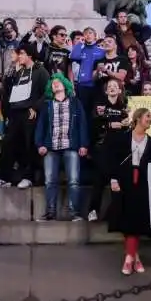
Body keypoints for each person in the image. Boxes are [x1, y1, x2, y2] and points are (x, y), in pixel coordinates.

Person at [107, 108, 151, 275]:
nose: (150, 120)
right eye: (147, 116)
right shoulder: (122, 139)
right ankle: (132, 257)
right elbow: (112, 159)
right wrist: (114, 178)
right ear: (137, 118)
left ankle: (131, 256)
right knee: (125, 218)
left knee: (136, 220)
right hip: (124, 182)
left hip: (142, 184)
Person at [35, 73, 89, 222]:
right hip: (51, 147)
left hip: (71, 146)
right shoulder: (47, 105)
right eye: (53, 83)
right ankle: (50, 212)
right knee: (50, 181)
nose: (55, 84)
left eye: (58, 82)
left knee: (73, 180)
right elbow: (41, 126)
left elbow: (82, 125)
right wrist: (40, 144)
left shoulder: (75, 103)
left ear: (65, 85)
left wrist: (84, 144)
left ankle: (74, 213)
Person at [0, 43, 50, 189]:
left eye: (21, 54)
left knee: (29, 145)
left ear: (29, 55)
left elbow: (47, 92)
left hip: (29, 113)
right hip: (15, 113)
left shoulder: (41, 71)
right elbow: (9, 92)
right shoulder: (18, 72)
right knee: (8, 143)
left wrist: (35, 107)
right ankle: (5, 177)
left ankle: (29, 176)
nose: (18, 57)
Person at [88, 78, 130, 222]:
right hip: (102, 147)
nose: (112, 88)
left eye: (115, 86)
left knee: (117, 181)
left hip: (119, 149)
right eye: (109, 86)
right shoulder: (99, 106)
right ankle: (93, 210)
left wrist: (127, 123)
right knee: (99, 180)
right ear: (106, 91)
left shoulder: (125, 107)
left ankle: (115, 214)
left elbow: (130, 126)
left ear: (120, 90)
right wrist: (112, 125)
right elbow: (94, 125)